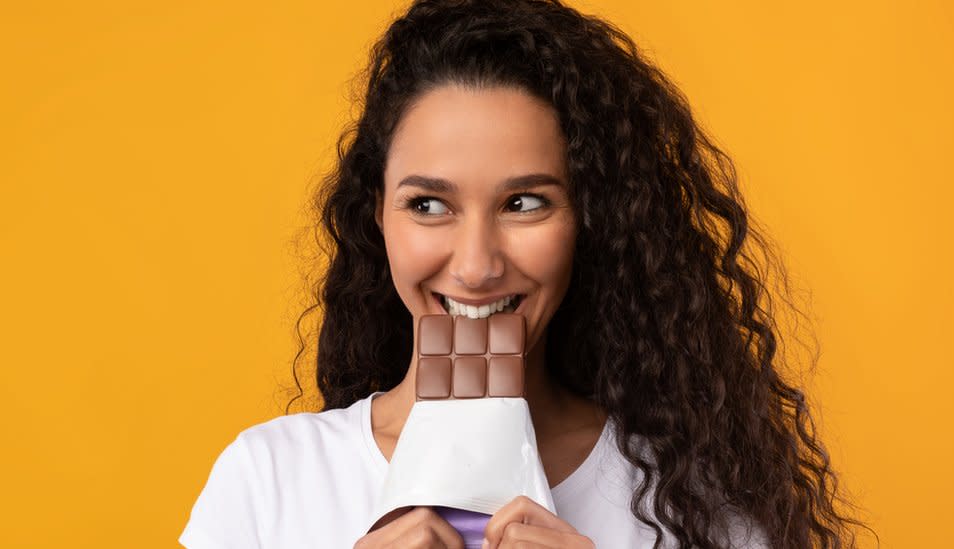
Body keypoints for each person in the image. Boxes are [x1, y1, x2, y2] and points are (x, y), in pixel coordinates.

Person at [180, 1, 873, 548]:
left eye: (524, 202)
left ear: (589, 219)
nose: (477, 265)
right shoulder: (267, 482)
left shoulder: (697, 502)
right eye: (429, 204)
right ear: (378, 219)